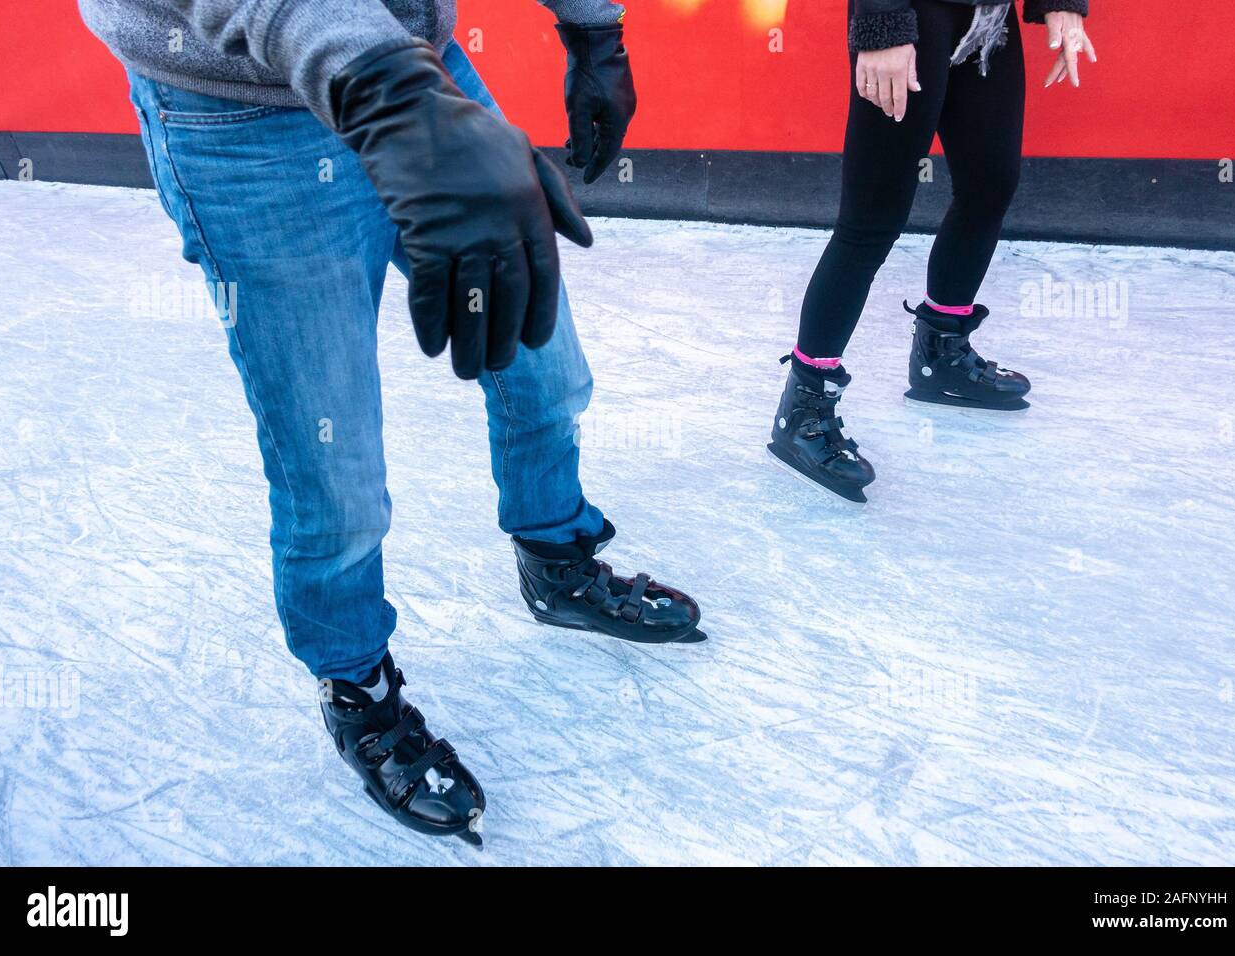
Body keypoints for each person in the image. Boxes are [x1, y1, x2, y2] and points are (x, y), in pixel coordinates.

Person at [78, 0, 704, 844]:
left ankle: (556, 559)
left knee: (542, 356)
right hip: (244, 119)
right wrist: (388, 90)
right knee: (333, 463)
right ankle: (358, 689)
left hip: (412, 72)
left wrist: (593, 27)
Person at [768, 0, 1096, 502]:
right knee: (871, 220)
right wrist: (881, 27)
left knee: (990, 186)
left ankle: (940, 353)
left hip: (987, 14)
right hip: (912, 15)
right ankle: (804, 404)